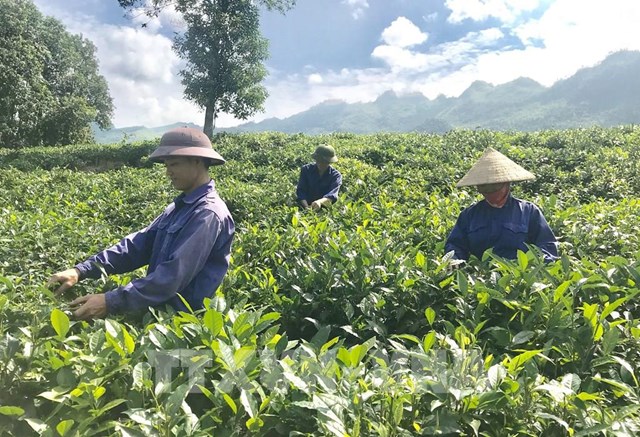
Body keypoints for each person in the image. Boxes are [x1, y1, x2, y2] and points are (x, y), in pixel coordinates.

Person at [47, 127, 235, 320]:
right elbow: (137, 246)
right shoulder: (180, 206)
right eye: (166, 165)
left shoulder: (208, 214)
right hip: (152, 311)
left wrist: (110, 301)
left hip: (178, 324)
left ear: (197, 161)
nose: (168, 172)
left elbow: (172, 276)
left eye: (174, 164)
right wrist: (81, 270)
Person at [444, 147, 558, 263]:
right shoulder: (469, 215)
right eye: (485, 190)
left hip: (519, 276)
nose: (490, 194)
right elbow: (455, 245)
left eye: (495, 189)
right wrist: (454, 260)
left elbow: (547, 246)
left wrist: (538, 265)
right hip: (480, 276)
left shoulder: (528, 211)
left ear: (507, 184)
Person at [296, 144, 343, 210]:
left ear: (329, 162)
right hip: (304, 206)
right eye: (318, 160)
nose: (320, 163)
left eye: (324, 162)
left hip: (324, 210)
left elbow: (332, 195)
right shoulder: (306, 170)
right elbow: (301, 191)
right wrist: (306, 207)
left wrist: (319, 202)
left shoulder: (336, 176)